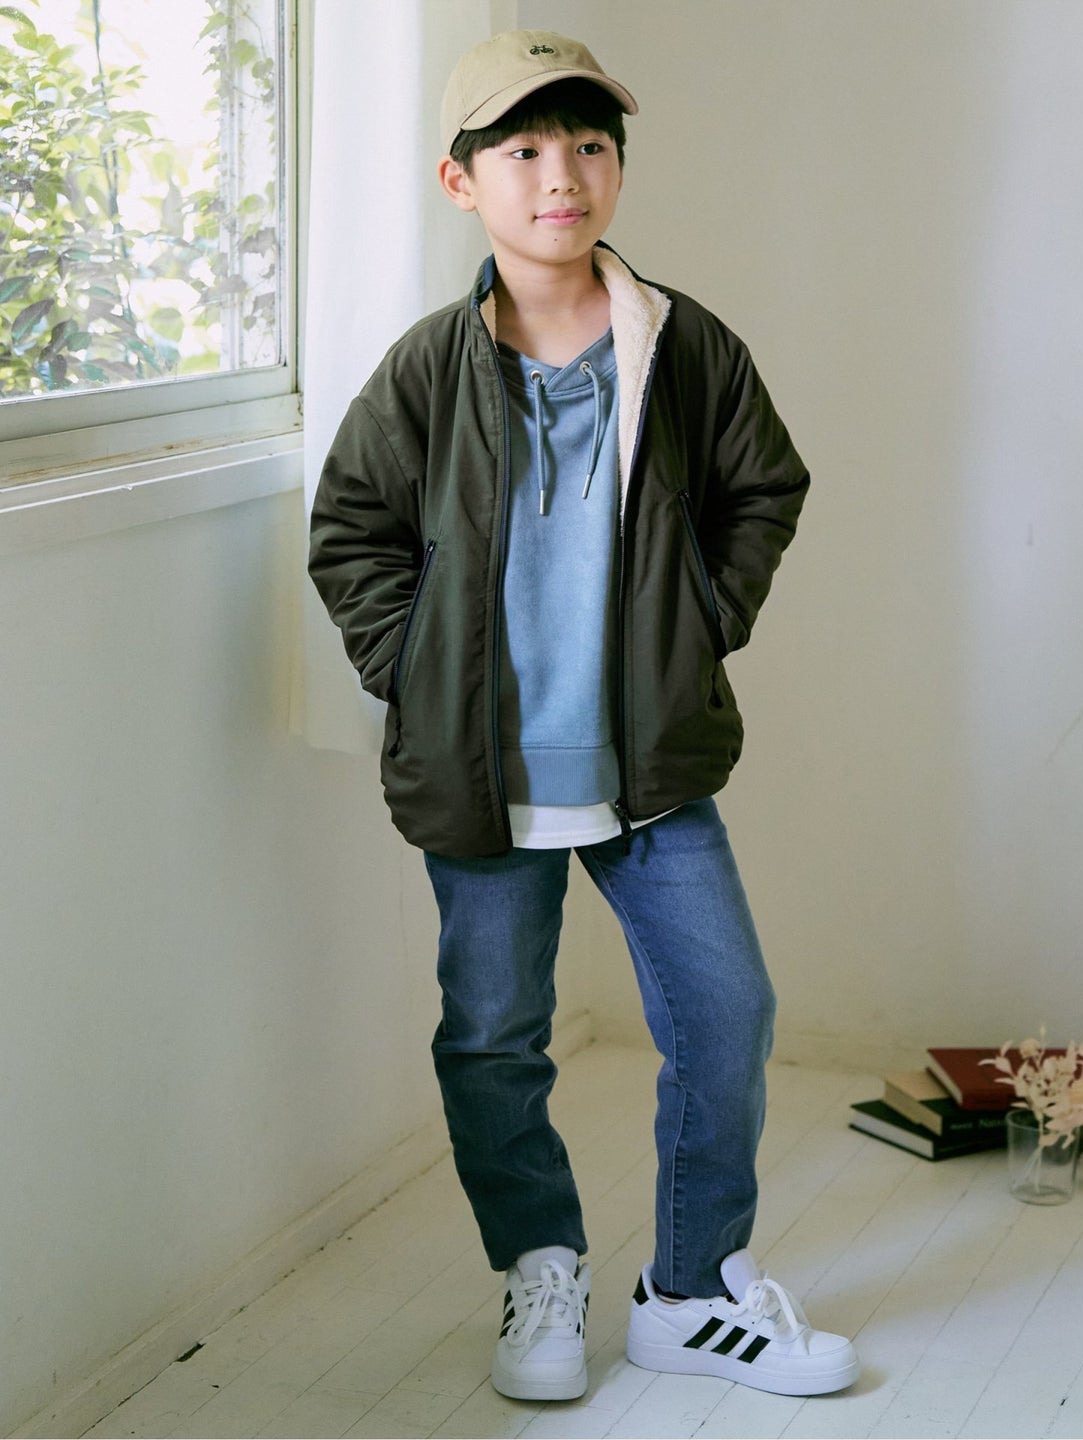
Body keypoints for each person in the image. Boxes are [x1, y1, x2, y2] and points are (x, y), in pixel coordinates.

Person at [308, 29, 860, 1405]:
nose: (563, 174)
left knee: (726, 1016)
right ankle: (540, 1264)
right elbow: (351, 530)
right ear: (461, 180)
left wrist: (700, 622)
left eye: (590, 144)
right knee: (493, 1036)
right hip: (484, 777)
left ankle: (692, 1290)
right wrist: (415, 671)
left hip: (648, 769)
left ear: (616, 168)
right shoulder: (427, 372)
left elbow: (765, 488)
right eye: (526, 149)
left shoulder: (682, 347)